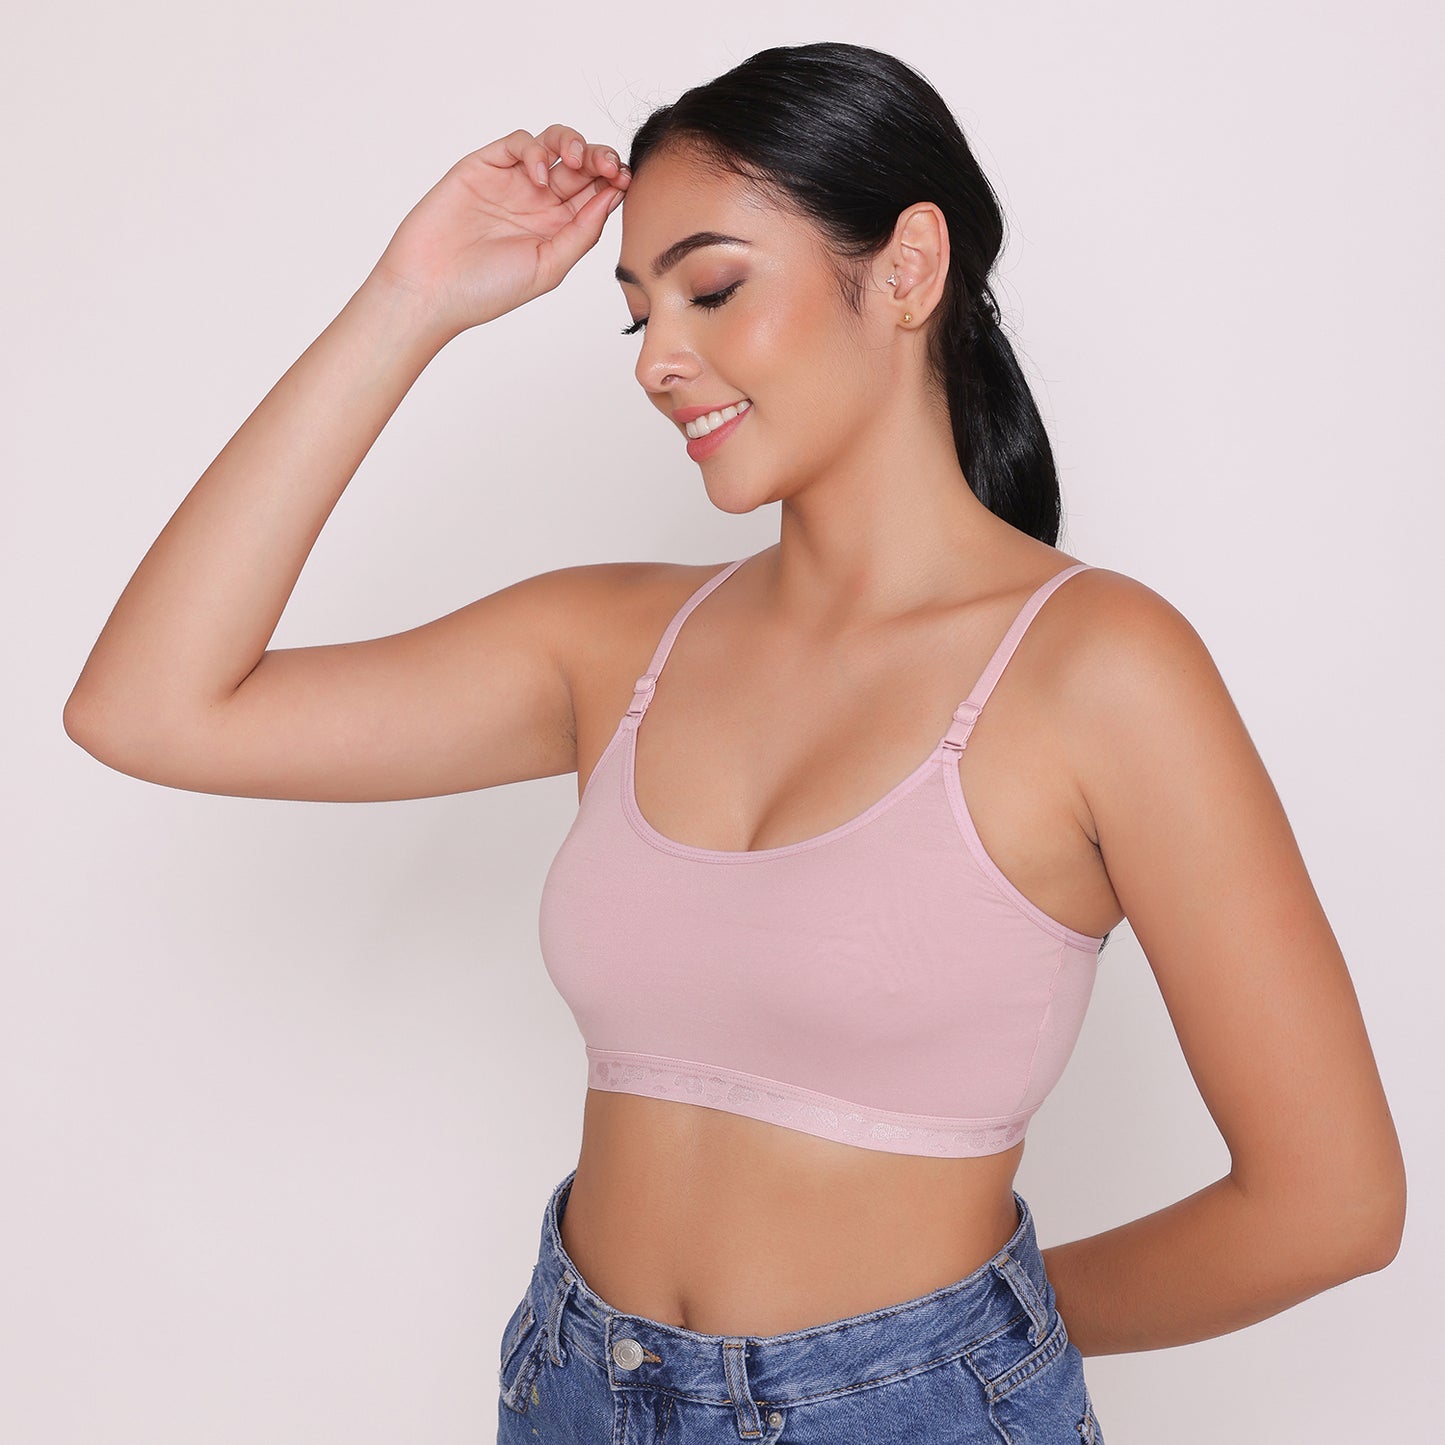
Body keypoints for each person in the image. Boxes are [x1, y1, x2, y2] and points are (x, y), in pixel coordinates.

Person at [65, 40, 1404, 1445]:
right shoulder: (610, 645)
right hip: (577, 1392)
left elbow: (1329, 1204)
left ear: (906, 269)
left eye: (709, 290)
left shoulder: (1099, 669)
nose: (658, 360)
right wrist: (410, 300)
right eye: (635, 316)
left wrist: (940, 1348)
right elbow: (147, 708)